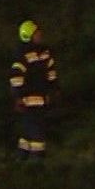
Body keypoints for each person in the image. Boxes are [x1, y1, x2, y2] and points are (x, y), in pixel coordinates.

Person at [9, 19, 58, 160]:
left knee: (28, 131)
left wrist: (54, 88)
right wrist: (18, 97)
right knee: (36, 131)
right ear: (28, 35)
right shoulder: (22, 54)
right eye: (36, 32)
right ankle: (36, 160)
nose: (40, 34)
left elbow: (51, 71)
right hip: (28, 99)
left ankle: (22, 157)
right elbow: (16, 77)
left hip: (41, 98)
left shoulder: (44, 52)